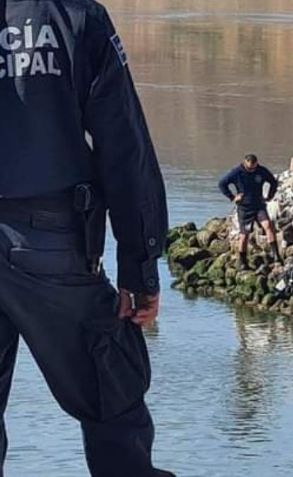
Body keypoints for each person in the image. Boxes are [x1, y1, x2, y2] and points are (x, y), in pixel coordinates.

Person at [0, 1, 173, 476]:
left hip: (45, 234)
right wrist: (139, 267)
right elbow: (123, 145)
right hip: (47, 241)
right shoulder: (72, 17)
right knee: (111, 392)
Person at [218, 154, 281, 268]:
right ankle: (243, 261)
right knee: (244, 235)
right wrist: (232, 197)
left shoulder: (261, 171)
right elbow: (222, 184)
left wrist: (270, 195)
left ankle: (276, 255)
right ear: (245, 163)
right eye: (250, 168)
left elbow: (273, 181)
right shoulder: (237, 172)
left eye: (254, 168)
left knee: (268, 226)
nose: (252, 170)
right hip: (245, 208)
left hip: (259, 205)